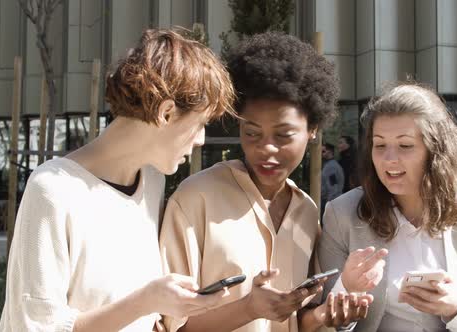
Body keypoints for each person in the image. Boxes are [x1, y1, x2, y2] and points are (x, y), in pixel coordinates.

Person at [0, 29, 236, 332]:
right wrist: (146, 301)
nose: (202, 140)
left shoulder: (151, 181)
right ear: (166, 113)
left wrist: (165, 309)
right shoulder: (54, 190)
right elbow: (36, 326)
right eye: (200, 124)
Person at [159, 32, 374, 332]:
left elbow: (299, 321)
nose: (266, 149)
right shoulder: (196, 198)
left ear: (312, 130)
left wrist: (327, 316)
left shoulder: (307, 212)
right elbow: (169, 325)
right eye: (252, 133)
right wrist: (247, 308)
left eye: (284, 135)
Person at [318, 83, 457, 331]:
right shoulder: (341, 213)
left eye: (405, 145)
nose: (389, 159)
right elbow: (325, 323)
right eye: (379, 145)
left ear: (436, 150)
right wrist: (346, 288)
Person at [321, 142, 344, 214]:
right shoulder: (328, 165)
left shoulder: (331, 167)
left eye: (323, 151)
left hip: (331, 203)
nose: (321, 154)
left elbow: (334, 188)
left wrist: (329, 205)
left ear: (330, 152)